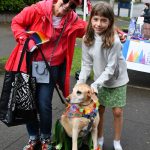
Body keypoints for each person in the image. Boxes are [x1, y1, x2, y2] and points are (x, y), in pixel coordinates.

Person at [5, 0, 126, 150]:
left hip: (52, 68)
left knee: (44, 104)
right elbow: (16, 22)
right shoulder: (36, 10)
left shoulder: (72, 19)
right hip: (28, 65)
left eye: (73, 5)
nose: (68, 6)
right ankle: (33, 138)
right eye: (66, 1)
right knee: (28, 103)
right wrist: (24, 38)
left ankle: (45, 138)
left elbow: (95, 24)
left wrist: (118, 32)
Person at [77, 2, 129, 150]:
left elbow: (111, 68)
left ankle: (117, 141)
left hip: (117, 79)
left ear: (110, 21)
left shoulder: (115, 41)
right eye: (95, 19)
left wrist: (94, 85)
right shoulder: (87, 38)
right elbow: (86, 64)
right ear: (91, 19)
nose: (98, 24)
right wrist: (80, 84)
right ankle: (99, 137)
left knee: (117, 111)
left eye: (103, 20)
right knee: (99, 110)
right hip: (100, 80)